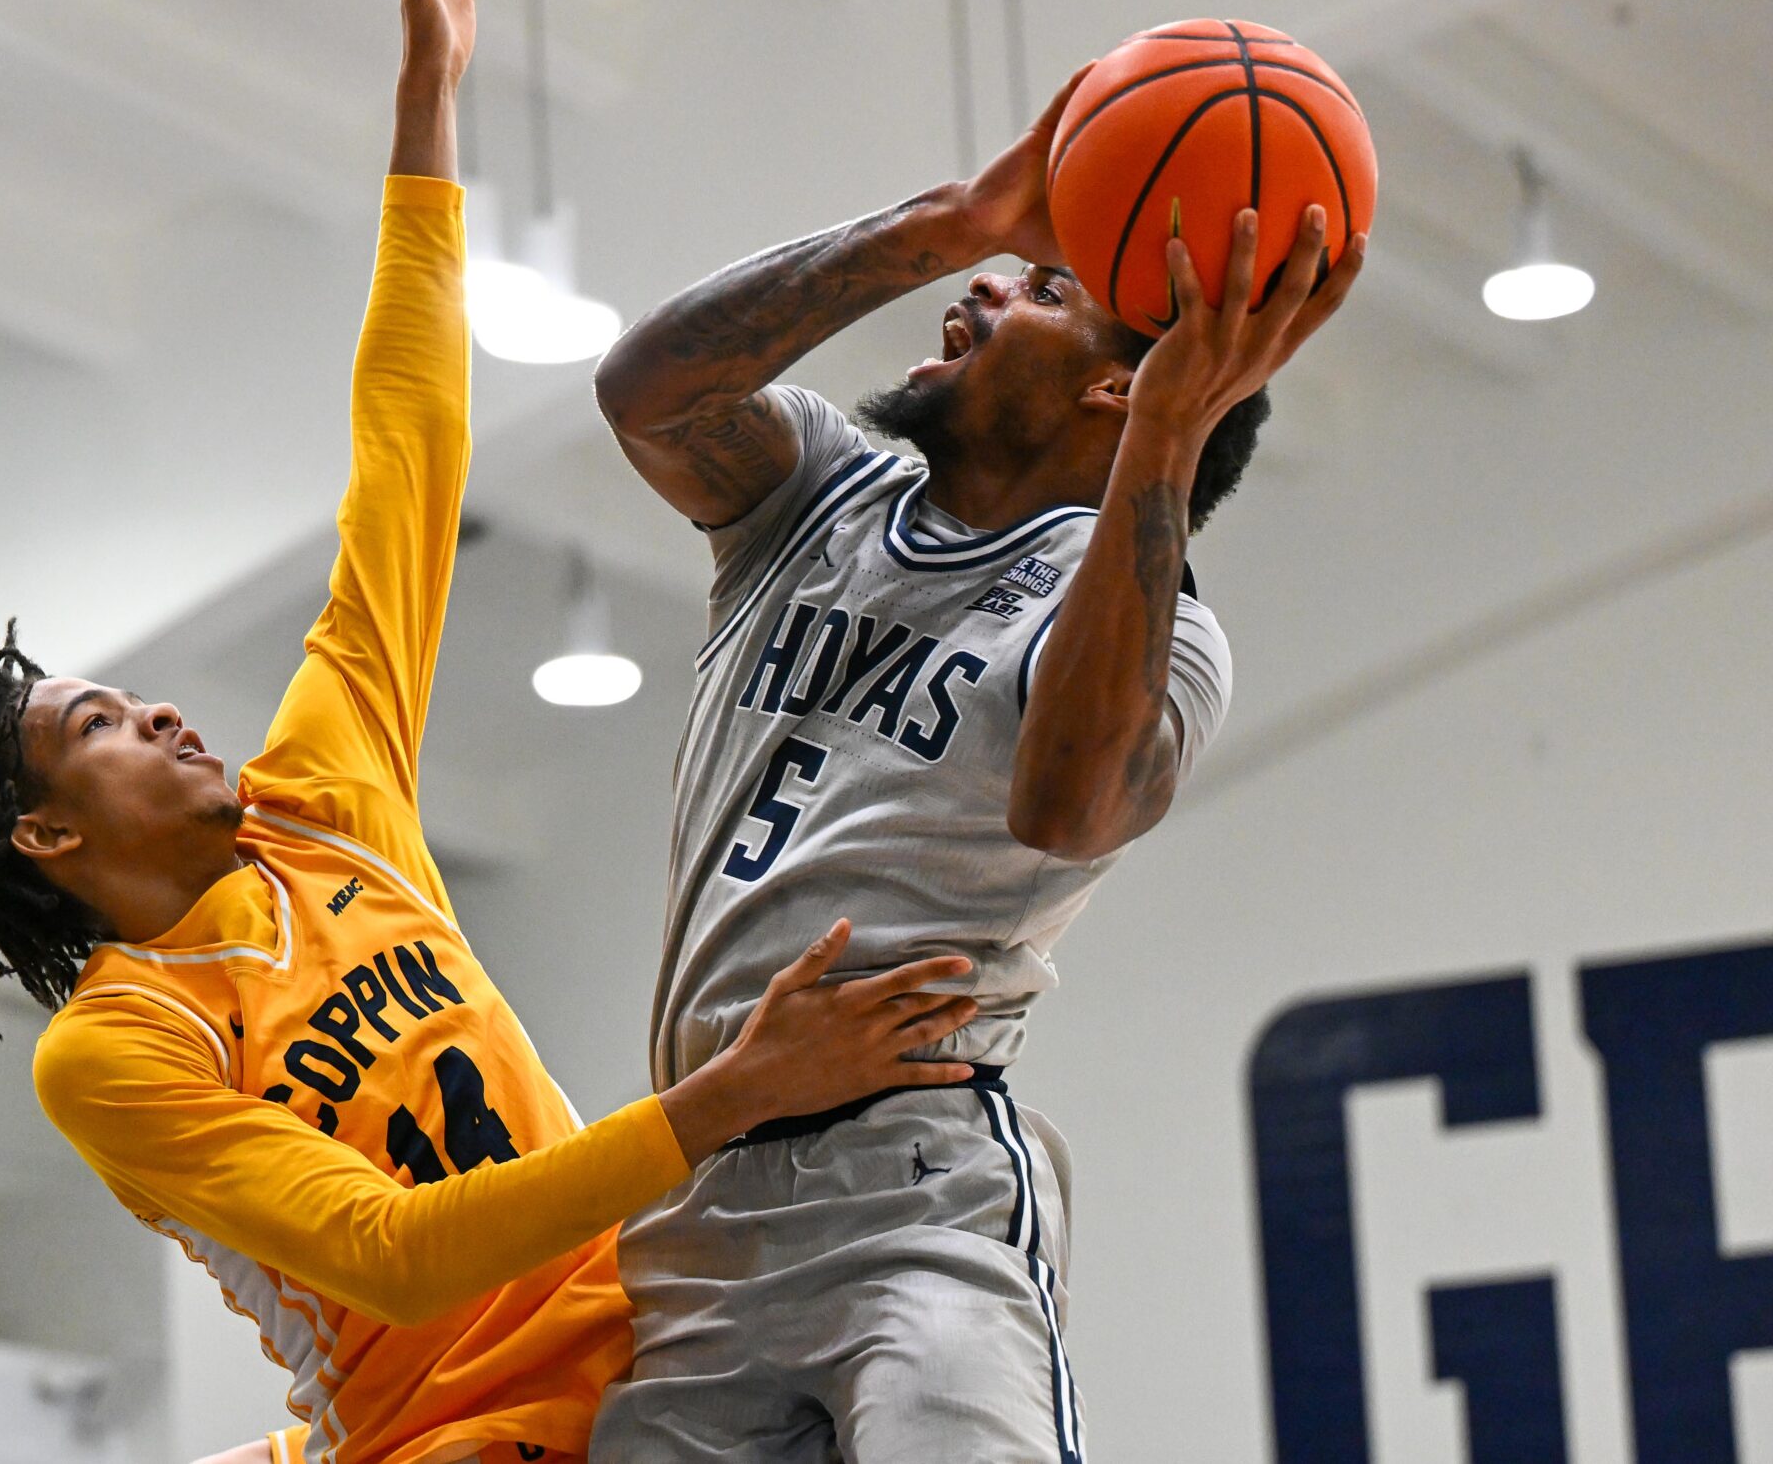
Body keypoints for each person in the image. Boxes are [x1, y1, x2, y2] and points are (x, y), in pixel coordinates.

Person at [0, 0, 980, 1464]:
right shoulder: (119, 1050)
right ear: (51, 835)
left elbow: (407, 456)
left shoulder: (320, 797)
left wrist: (429, 101)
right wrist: (733, 1095)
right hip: (453, 1434)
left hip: (651, 1346)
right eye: (101, 725)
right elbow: (390, 1254)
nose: (160, 709)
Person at [585, 74, 1367, 1462]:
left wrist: (1168, 434)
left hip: (911, 1190)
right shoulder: (816, 496)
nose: (985, 291)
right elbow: (644, 391)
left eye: (1043, 291)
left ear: (1117, 383)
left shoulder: (1159, 630)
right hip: (698, 1196)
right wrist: (945, 223)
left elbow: (1066, 808)